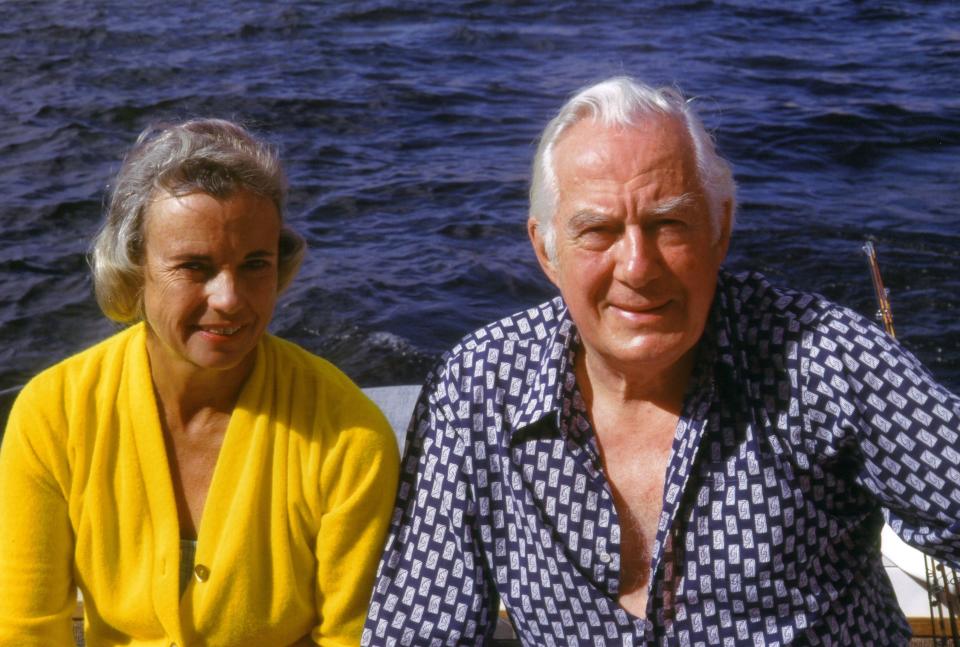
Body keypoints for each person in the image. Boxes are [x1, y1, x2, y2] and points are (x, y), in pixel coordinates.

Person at [363, 77, 960, 646]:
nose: (638, 268)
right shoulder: (477, 387)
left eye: (668, 224)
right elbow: (421, 626)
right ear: (546, 249)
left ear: (720, 229)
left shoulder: (823, 359)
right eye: (597, 231)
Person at [0, 119, 400, 646]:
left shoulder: (348, 436)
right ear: (133, 269)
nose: (229, 297)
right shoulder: (54, 413)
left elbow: (352, 636)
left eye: (255, 264)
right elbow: (26, 630)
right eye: (194, 266)